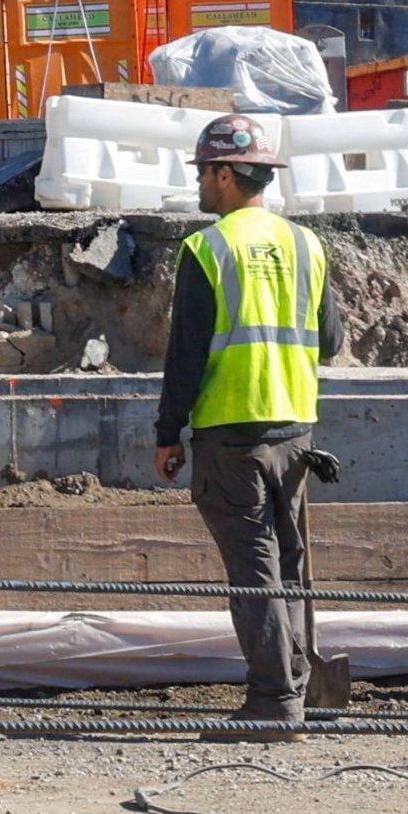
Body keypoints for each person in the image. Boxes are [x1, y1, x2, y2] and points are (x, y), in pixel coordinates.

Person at [146, 113, 338, 725]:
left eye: (204, 172)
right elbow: (330, 340)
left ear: (226, 173)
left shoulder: (208, 248)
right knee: (291, 561)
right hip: (296, 430)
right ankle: (301, 687)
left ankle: (272, 703)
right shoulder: (307, 245)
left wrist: (166, 433)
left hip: (233, 432)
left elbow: (187, 354)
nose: (200, 183)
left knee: (255, 569)